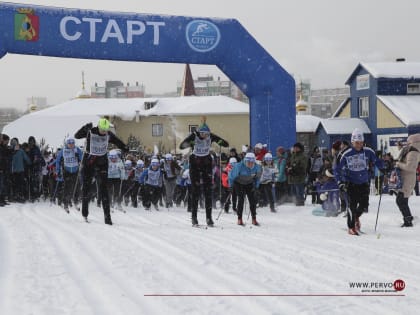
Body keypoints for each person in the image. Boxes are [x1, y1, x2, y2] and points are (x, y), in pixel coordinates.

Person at [74, 117, 128, 225]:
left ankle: (107, 217)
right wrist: (84, 128)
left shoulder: (108, 134)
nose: (104, 132)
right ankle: (85, 213)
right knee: (86, 188)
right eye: (102, 130)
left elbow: (118, 142)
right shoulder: (90, 132)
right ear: (98, 127)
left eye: (105, 130)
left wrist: (124, 147)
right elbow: (77, 136)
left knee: (104, 190)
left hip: (102, 163)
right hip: (88, 162)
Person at [179, 119, 229, 226]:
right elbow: (181, 146)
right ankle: (194, 217)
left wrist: (218, 141)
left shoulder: (210, 136)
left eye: (206, 134)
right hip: (195, 162)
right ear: (198, 132)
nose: (204, 136)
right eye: (202, 133)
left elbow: (225, 144)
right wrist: (190, 141)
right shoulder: (194, 136)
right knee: (195, 191)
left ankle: (209, 218)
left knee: (208, 191)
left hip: (206, 162)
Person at [335, 128, 383, 235]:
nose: (359, 145)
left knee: (364, 206)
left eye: (361, 143)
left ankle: (356, 217)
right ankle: (351, 227)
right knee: (352, 206)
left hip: (364, 182)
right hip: (350, 183)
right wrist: (340, 182)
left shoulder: (368, 151)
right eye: (357, 143)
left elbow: (376, 161)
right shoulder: (345, 153)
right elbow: (336, 169)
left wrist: (383, 167)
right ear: (352, 142)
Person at [228, 152, 262, 225]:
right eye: (248, 162)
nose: (250, 164)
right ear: (245, 161)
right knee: (241, 200)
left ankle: (254, 218)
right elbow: (231, 176)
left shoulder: (257, 167)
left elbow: (257, 178)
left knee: (252, 200)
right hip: (239, 183)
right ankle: (239, 218)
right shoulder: (239, 166)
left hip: (249, 183)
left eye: (252, 162)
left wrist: (256, 186)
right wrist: (230, 186)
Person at [394, 133, 420, 227]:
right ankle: (408, 218)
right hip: (406, 178)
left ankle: (408, 220)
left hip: (408, 179)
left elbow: (410, 167)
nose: (407, 144)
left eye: (408, 142)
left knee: (400, 200)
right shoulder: (411, 150)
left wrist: (398, 164)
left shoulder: (413, 152)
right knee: (402, 200)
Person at [55, 137, 83, 212]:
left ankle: (76, 201)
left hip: (75, 170)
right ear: (67, 144)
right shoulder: (63, 151)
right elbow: (57, 161)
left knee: (77, 185)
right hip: (66, 171)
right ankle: (66, 203)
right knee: (68, 187)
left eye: (72, 143)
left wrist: (79, 157)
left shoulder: (77, 150)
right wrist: (58, 172)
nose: (71, 145)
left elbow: (82, 158)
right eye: (69, 143)